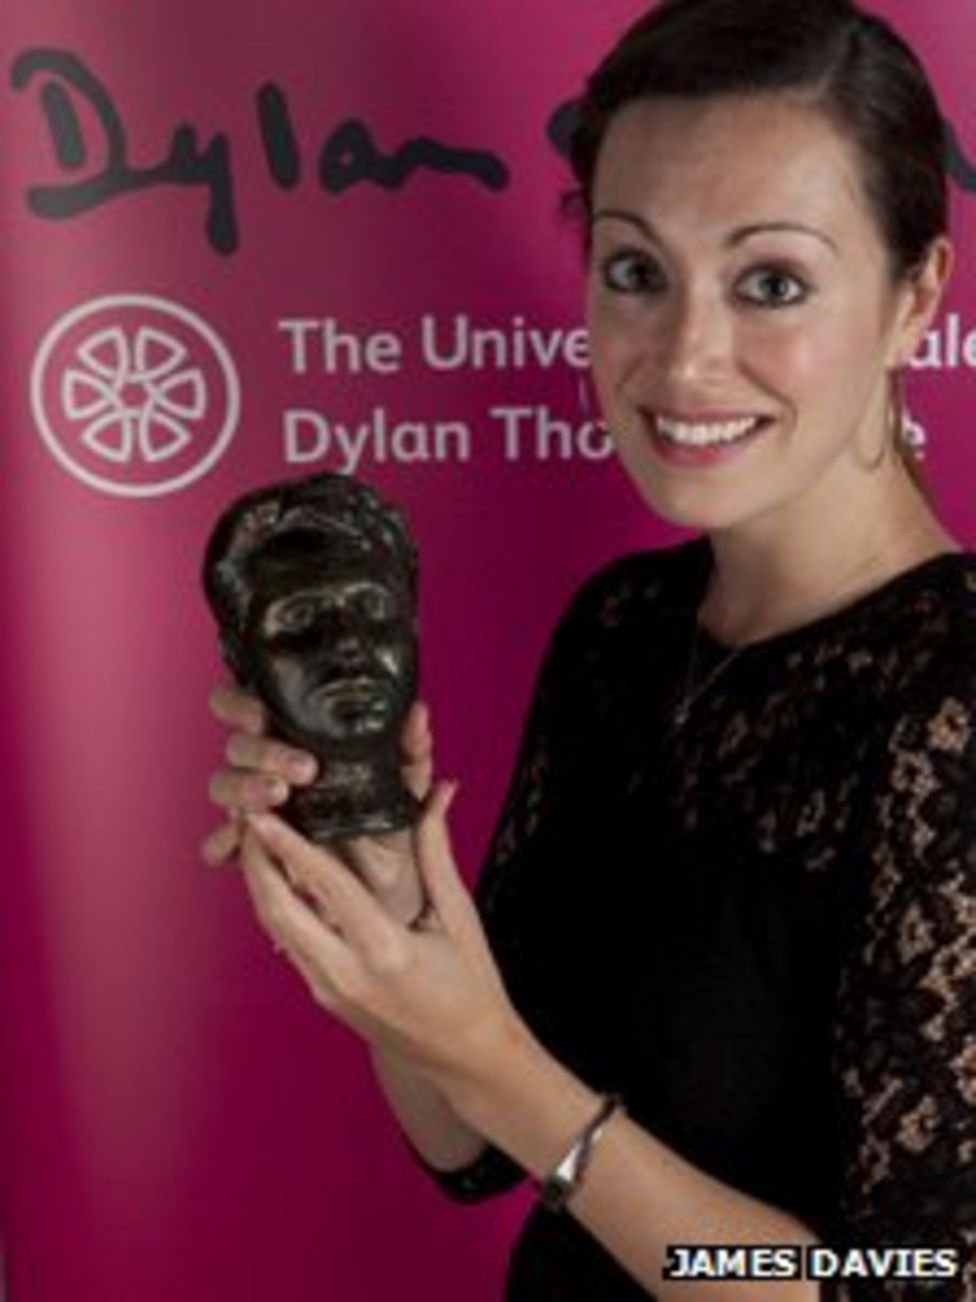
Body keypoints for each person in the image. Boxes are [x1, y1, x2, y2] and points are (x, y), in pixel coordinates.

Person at [203, 0, 976, 1296]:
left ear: (916, 298)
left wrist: (501, 1065)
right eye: (634, 271)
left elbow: (908, 1280)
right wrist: (372, 866)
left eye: (771, 283)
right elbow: (462, 1141)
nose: (683, 356)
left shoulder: (947, 703)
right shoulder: (623, 630)